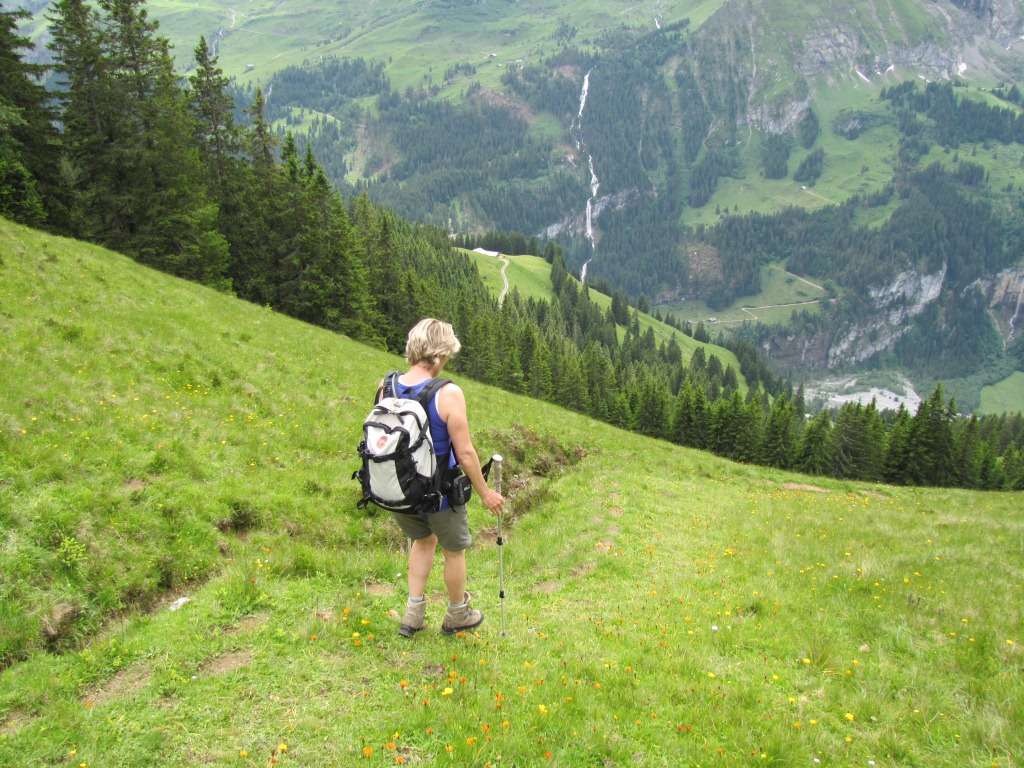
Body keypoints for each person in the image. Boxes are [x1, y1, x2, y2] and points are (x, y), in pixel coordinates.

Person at [380, 318, 505, 637]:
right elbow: (464, 453)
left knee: (422, 543)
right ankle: (457, 615)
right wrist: (485, 492)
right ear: (440, 353)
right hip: (439, 491)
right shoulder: (448, 393)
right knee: (453, 551)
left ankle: (412, 613)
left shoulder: (387, 384)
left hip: (399, 489)